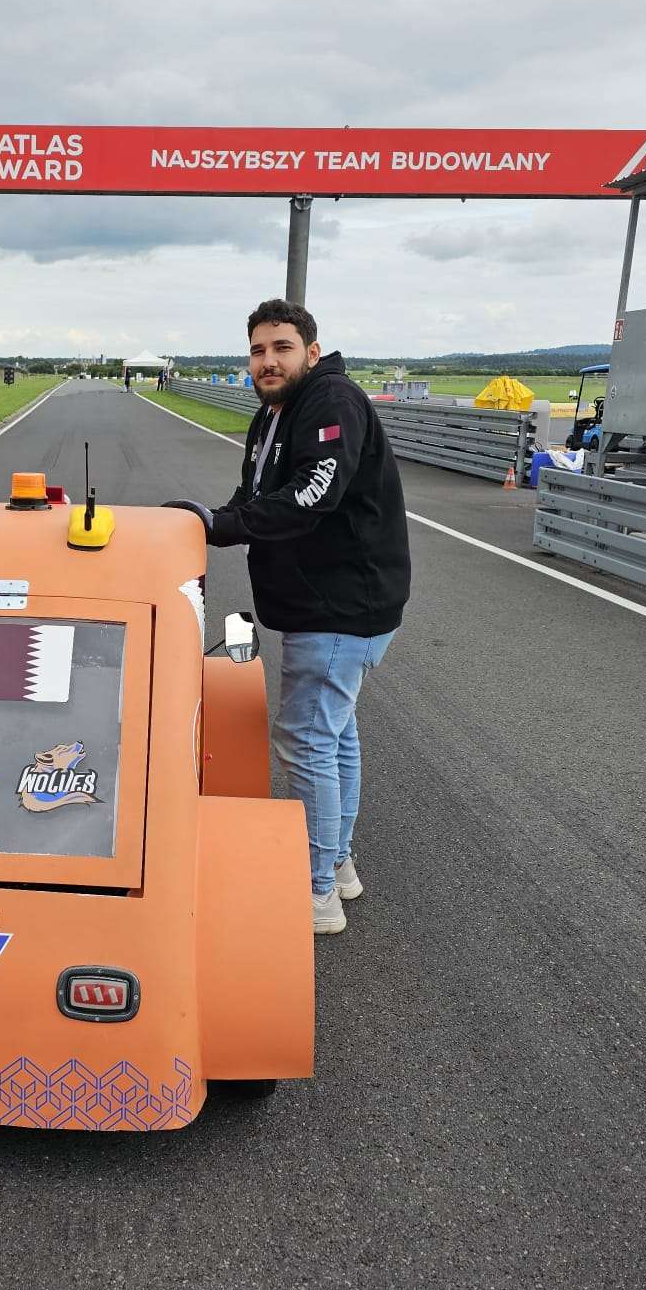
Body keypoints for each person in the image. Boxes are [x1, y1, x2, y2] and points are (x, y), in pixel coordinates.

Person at [165, 298, 410, 936]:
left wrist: (219, 525)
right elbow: (253, 498)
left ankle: (314, 890)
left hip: (341, 605)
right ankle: (340, 864)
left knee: (306, 740)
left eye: (281, 348)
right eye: (257, 350)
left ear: (311, 350)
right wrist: (204, 521)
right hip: (328, 603)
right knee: (335, 736)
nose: (267, 361)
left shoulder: (332, 403)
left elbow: (310, 497)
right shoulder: (273, 413)